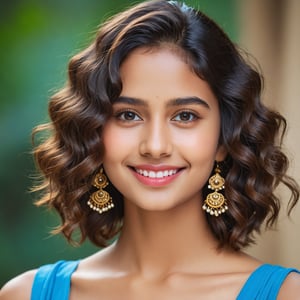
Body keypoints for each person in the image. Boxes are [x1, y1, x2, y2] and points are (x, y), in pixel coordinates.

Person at [1, 0, 300, 299]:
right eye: (128, 115)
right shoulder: (26, 294)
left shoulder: (286, 294)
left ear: (224, 139)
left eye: (185, 116)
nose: (155, 146)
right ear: (94, 132)